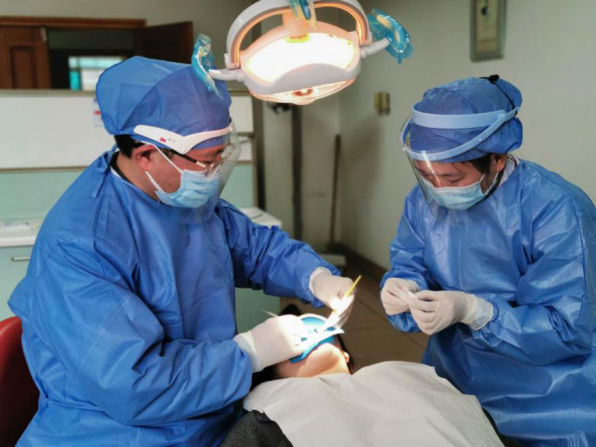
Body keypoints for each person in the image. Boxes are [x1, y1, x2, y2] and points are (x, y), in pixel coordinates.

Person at [8, 56, 355, 447]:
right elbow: (133, 385)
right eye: (207, 162)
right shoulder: (81, 246)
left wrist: (315, 277)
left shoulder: (180, 197)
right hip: (117, 432)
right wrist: (249, 352)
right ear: (146, 155)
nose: (216, 171)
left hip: (206, 406)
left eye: (222, 154)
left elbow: (256, 250)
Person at [380, 75, 596, 446]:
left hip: (550, 397)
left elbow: (566, 329)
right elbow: (411, 262)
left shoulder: (557, 209)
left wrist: (476, 311)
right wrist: (404, 286)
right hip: (455, 378)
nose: (437, 189)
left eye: (452, 178)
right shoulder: (422, 200)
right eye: (427, 175)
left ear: (497, 159)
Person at [221, 305, 515, 447]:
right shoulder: (269, 420)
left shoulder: (401, 375)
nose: (302, 337)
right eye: (285, 347)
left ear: (346, 356)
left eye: (311, 328)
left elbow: (475, 424)